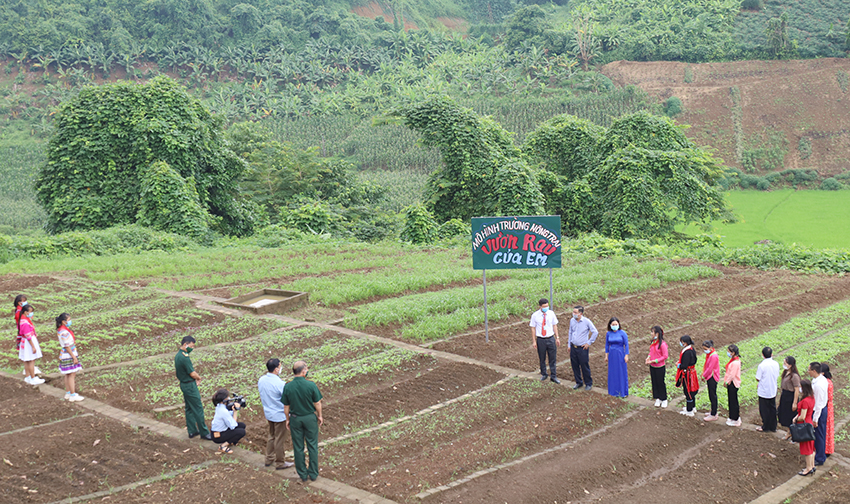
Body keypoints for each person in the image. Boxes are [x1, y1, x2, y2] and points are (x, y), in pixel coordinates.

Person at [283, 360, 324, 483]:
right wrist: (320, 415)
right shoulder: (311, 385)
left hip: (295, 418)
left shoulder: (288, 386)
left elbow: (286, 407)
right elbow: (317, 402)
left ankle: (302, 473)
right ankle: (313, 473)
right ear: (303, 371)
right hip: (309, 418)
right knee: (312, 445)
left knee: (298, 446)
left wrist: (287, 419)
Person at [258, 358, 294, 469]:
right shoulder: (280, 384)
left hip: (269, 413)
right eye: (280, 366)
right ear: (276, 369)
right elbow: (287, 399)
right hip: (280, 415)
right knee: (279, 439)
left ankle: (268, 458)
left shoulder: (262, 380)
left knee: (272, 436)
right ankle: (280, 462)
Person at [174, 336, 212, 440]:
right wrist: (199, 378)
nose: (192, 348)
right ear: (186, 344)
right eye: (191, 346)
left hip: (184, 384)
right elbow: (192, 373)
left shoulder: (178, 355)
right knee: (198, 408)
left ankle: (192, 431)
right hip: (190, 385)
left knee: (189, 408)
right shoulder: (184, 357)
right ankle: (204, 432)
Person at [530, 299, 560, 384]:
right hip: (541, 339)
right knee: (542, 357)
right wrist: (534, 341)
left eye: (547, 306)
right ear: (540, 307)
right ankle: (544, 374)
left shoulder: (551, 313)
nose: (546, 308)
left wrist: (557, 337)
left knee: (552, 358)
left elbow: (555, 325)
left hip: (550, 338)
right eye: (544, 307)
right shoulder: (535, 315)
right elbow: (533, 328)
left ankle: (553, 376)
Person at [568, 305, 598, 391]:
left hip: (582, 348)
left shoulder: (586, 321)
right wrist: (569, 345)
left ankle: (588, 383)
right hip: (573, 347)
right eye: (573, 312)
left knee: (584, 365)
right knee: (574, 365)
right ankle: (578, 382)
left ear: (580, 313)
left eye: (575, 312)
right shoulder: (572, 321)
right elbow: (570, 332)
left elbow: (595, 332)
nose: (573, 314)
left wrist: (588, 343)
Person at [55, 313, 84, 402]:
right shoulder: (64, 332)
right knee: (72, 374)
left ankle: (68, 392)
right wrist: (74, 357)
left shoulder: (61, 330)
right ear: (64, 322)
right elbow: (67, 345)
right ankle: (72, 394)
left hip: (65, 354)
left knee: (67, 374)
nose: (70, 321)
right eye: (69, 320)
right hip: (69, 354)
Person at [211, 388, 246, 454]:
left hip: (217, 432)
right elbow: (233, 426)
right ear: (224, 399)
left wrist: (233, 408)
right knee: (242, 432)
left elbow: (228, 415)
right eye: (228, 397)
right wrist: (235, 411)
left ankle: (232, 441)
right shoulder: (223, 411)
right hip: (218, 436)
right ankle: (222, 446)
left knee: (242, 425)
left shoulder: (219, 406)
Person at [17, 304, 44, 385]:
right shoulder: (25, 323)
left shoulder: (22, 320)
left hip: (25, 342)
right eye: (30, 312)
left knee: (26, 360)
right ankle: (33, 378)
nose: (32, 313)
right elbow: (28, 336)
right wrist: (33, 346)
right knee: (31, 360)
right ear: (25, 312)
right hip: (29, 342)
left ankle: (28, 376)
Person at [794, 379, 816, 476]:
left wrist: (795, 419)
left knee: (807, 449)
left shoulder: (805, 401)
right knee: (811, 447)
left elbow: (802, 416)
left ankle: (808, 468)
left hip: (804, 425)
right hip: (809, 423)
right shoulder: (811, 398)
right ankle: (812, 466)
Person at [755, 347, 780, 432]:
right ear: (771, 354)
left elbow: (758, 378)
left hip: (764, 390)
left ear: (763, 355)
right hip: (772, 389)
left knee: (764, 410)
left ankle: (765, 426)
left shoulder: (762, 365)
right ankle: (773, 426)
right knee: (772, 408)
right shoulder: (776, 363)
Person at [778, 356, 802, 441]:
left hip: (790, 396)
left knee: (791, 416)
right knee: (785, 414)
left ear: (790, 365)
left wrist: (795, 402)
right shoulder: (786, 373)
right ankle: (789, 432)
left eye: (785, 363)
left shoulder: (794, 376)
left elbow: (797, 389)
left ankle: (792, 434)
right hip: (785, 395)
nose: (784, 365)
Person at [604, 317, 629, 397]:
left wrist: (626, 355)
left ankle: (622, 391)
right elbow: (607, 345)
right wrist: (606, 356)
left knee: (621, 372)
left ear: (619, 324)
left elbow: (626, 345)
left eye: (616, 324)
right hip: (612, 354)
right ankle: (613, 391)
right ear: (610, 325)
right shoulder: (608, 333)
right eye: (613, 324)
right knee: (613, 372)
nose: (614, 326)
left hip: (620, 353)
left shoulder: (622, 333)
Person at [809, 362, 828, 466]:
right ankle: (820, 454)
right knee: (820, 433)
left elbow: (819, 403)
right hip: (820, 409)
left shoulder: (819, 385)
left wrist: (815, 418)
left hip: (819, 411)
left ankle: (820, 458)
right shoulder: (820, 379)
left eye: (809, 370)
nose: (808, 372)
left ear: (814, 371)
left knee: (819, 434)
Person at [645, 326, 668, 408]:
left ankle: (664, 399)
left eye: (652, 332)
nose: (651, 334)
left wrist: (656, 360)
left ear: (657, 334)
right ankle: (657, 398)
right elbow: (651, 352)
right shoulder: (653, 342)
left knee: (660, 382)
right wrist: (648, 357)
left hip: (660, 366)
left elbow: (665, 356)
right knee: (654, 382)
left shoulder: (662, 344)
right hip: (652, 366)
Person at [676, 335, 699, 416]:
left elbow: (684, 365)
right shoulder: (692, 349)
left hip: (687, 373)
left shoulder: (686, 352)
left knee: (688, 390)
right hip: (692, 372)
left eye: (682, 342)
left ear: (685, 343)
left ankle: (689, 411)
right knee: (692, 389)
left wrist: (679, 365)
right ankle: (693, 407)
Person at [701, 340, 720, 421]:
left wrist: (703, 376)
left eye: (705, 349)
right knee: (711, 394)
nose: (705, 351)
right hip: (710, 376)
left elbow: (709, 369)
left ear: (711, 348)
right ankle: (713, 411)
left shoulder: (713, 356)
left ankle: (713, 414)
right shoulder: (710, 354)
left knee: (712, 395)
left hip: (712, 377)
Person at [724, 344, 742, 427]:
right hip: (732, 383)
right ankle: (732, 417)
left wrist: (727, 382)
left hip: (733, 383)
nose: (727, 353)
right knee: (731, 400)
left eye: (729, 351)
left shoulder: (735, 363)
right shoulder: (735, 360)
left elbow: (731, 375)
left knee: (733, 401)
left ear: (733, 353)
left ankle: (735, 419)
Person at [822, 363, 834, 458]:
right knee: (828, 427)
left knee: (825, 427)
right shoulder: (829, 381)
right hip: (829, 406)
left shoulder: (825, 383)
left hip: (825, 405)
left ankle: (825, 449)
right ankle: (828, 449)